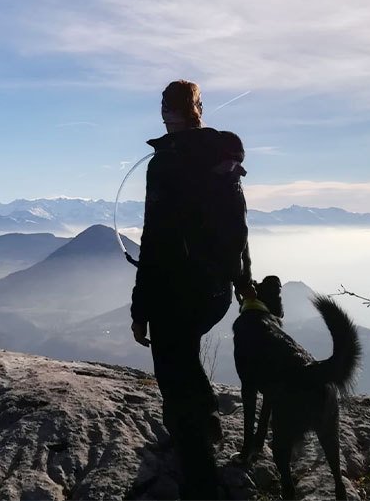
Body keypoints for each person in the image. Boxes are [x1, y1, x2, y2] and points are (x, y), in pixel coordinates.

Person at [130, 80, 254, 499]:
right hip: (216, 289)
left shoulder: (165, 163)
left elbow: (155, 237)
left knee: (173, 366)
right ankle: (206, 424)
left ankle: (198, 471)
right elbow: (239, 225)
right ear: (200, 109)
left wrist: (139, 304)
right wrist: (240, 281)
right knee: (185, 355)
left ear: (167, 110)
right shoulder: (223, 158)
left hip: (174, 287)